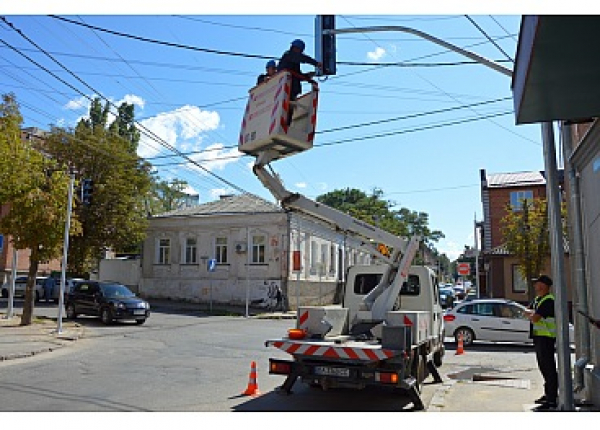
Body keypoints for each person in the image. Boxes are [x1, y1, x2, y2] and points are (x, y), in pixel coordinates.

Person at [526, 275, 558, 410]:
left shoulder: (548, 300)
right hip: (539, 337)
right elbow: (528, 312)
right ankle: (548, 394)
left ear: (543, 286)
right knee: (543, 367)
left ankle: (551, 400)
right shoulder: (538, 300)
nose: (535, 286)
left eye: (537, 284)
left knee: (549, 369)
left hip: (547, 338)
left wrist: (532, 315)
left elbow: (535, 318)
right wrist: (532, 314)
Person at [277, 39, 322, 126]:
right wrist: (316, 63)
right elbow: (302, 58)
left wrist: (307, 76)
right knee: (286, 108)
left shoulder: (293, 61)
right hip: (286, 86)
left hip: (291, 88)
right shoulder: (288, 55)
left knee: (289, 109)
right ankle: (284, 125)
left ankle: (286, 126)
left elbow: (297, 75)